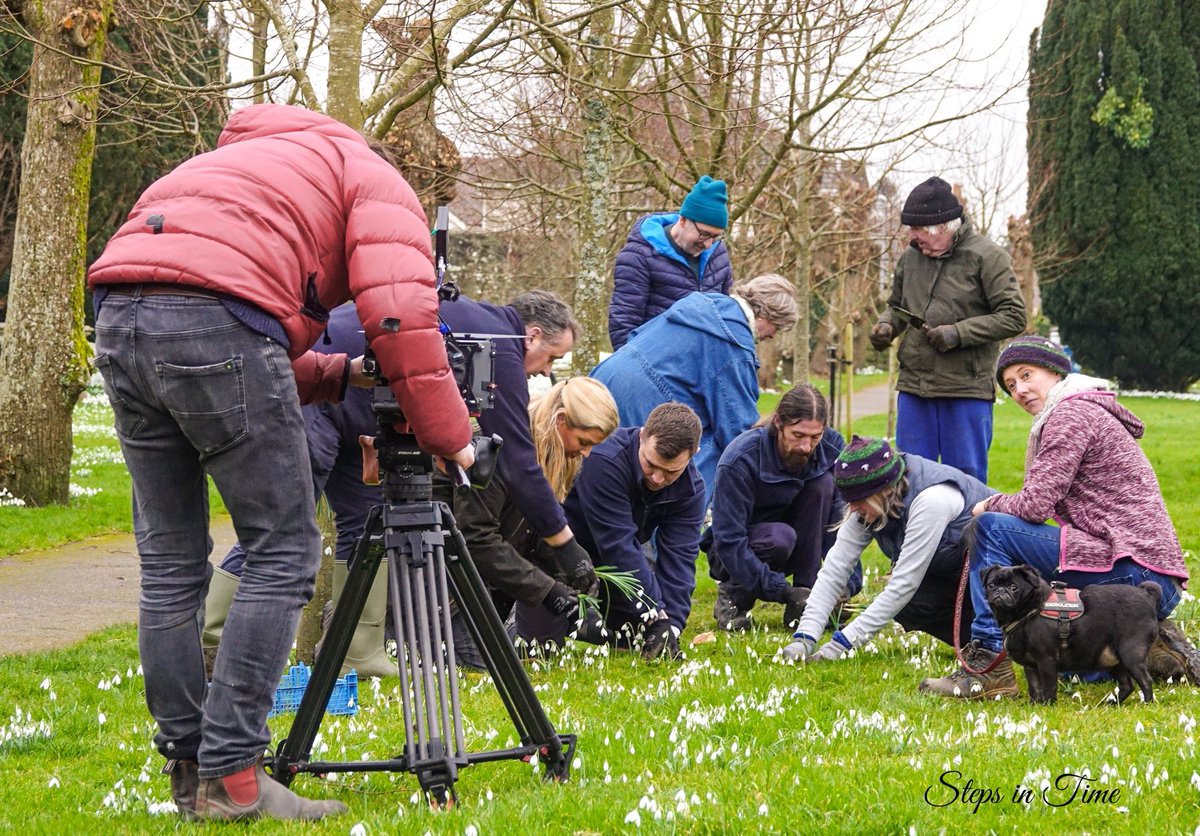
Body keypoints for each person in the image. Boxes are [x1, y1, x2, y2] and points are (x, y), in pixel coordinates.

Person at [86, 103, 477, 822]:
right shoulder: (370, 174)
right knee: (285, 549)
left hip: (118, 312)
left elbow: (210, 348)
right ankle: (235, 775)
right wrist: (451, 433)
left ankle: (190, 769)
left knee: (171, 559)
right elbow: (399, 314)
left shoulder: (216, 169)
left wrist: (336, 374)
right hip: (215, 317)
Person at [204, 289, 585, 679]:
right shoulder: (501, 344)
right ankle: (214, 642)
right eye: (552, 357)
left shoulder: (476, 324)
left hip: (359, 415)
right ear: (533, 335)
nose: (545, 371)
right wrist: (563, 543)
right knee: (283, 526)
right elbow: (520, 464)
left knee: (365, 524)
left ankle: (357, 652)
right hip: (318, 392)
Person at [920, 336, 1198, 698]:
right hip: (1146, 578)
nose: (1020, 390)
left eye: (1026, 375)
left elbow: (1034, 506)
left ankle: (988, 666)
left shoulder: (1070, 415)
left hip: (1134, 569)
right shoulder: (1078, 409)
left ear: (1054, 371)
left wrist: (988, 505)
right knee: (1064, 666)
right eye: (1010, 385)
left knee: (989, 529)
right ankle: (1151, 646)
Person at [447, 376, 621, 668]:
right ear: (561, 420)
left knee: (525, 657)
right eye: (584, 441)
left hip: (489, 581)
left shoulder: (562, 459)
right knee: (482, 669)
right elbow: (476, 539)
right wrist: (547, 591)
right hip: (449, 583)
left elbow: (533, 536)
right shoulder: (494, 448)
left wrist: (569, 577)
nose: (586, 452)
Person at [782, 436, 995, 671]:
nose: (852, 509)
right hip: (957, 575)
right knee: (912, 604)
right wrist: (805, 637)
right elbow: (834, 570)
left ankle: (997, 640)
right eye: (848, 500)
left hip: (1000, 580)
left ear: (884, 489)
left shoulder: (932, 500)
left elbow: (905, 583)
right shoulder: (870, 504)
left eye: (859, 501)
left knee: (904, 593)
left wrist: (840, 646)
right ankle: (975, 641)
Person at [512, 402, 706, 660]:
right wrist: (655, 611)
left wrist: (670, 624)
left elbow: (680, 560)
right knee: (537, 650)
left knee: (637, 637)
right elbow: (618, 544)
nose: (657, 478)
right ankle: (521, 618)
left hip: (614, 569)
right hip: (559, 556)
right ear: (642, 436)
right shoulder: (604, 459)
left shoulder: (691, 490)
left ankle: (585, 621)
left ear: (693, 455)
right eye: (651, 464)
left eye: (671, 472)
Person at [868, 176, 1026, 482]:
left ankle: (965, 532)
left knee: (964, 481)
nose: (912, 236)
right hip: (915, 388)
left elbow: (1014, 315)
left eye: (917, 229)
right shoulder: (910, 259)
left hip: (965, 390)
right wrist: (887, 324)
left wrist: (958, 333)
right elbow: (897, 305)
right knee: (909, 478)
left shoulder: (988, 258)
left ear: (943, 227)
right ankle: (911, 533)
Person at [592, 272, 798, 504]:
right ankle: (672, 527)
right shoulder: (734, 343)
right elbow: (736, 427)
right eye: (777, 328)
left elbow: (637, 335)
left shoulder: (701, 305)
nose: (772, 336)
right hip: (642, 399)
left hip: (603, 379)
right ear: (767, 316)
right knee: (705, 447)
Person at [705, 385, 851, 633]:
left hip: (799, 544)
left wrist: (844, 584)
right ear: (778, 423)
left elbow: (842, 523)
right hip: (737, 552)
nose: (806, 446)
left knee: (823, 484)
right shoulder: (741, 459)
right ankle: (734, 599)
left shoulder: (832, 447)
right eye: (797, 435)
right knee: (780, 537)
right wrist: (782, 591)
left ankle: (806, 601)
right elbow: (729, 541)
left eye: (815, 437)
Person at [608, 175, 733, 350]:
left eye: (715, 236)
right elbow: (623, 323)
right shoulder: (639, 255)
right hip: (654, 361)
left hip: (703, 361)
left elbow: (725, 313)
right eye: (704, 234)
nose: (708, 244)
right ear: (683, 220)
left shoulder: (718, 253)